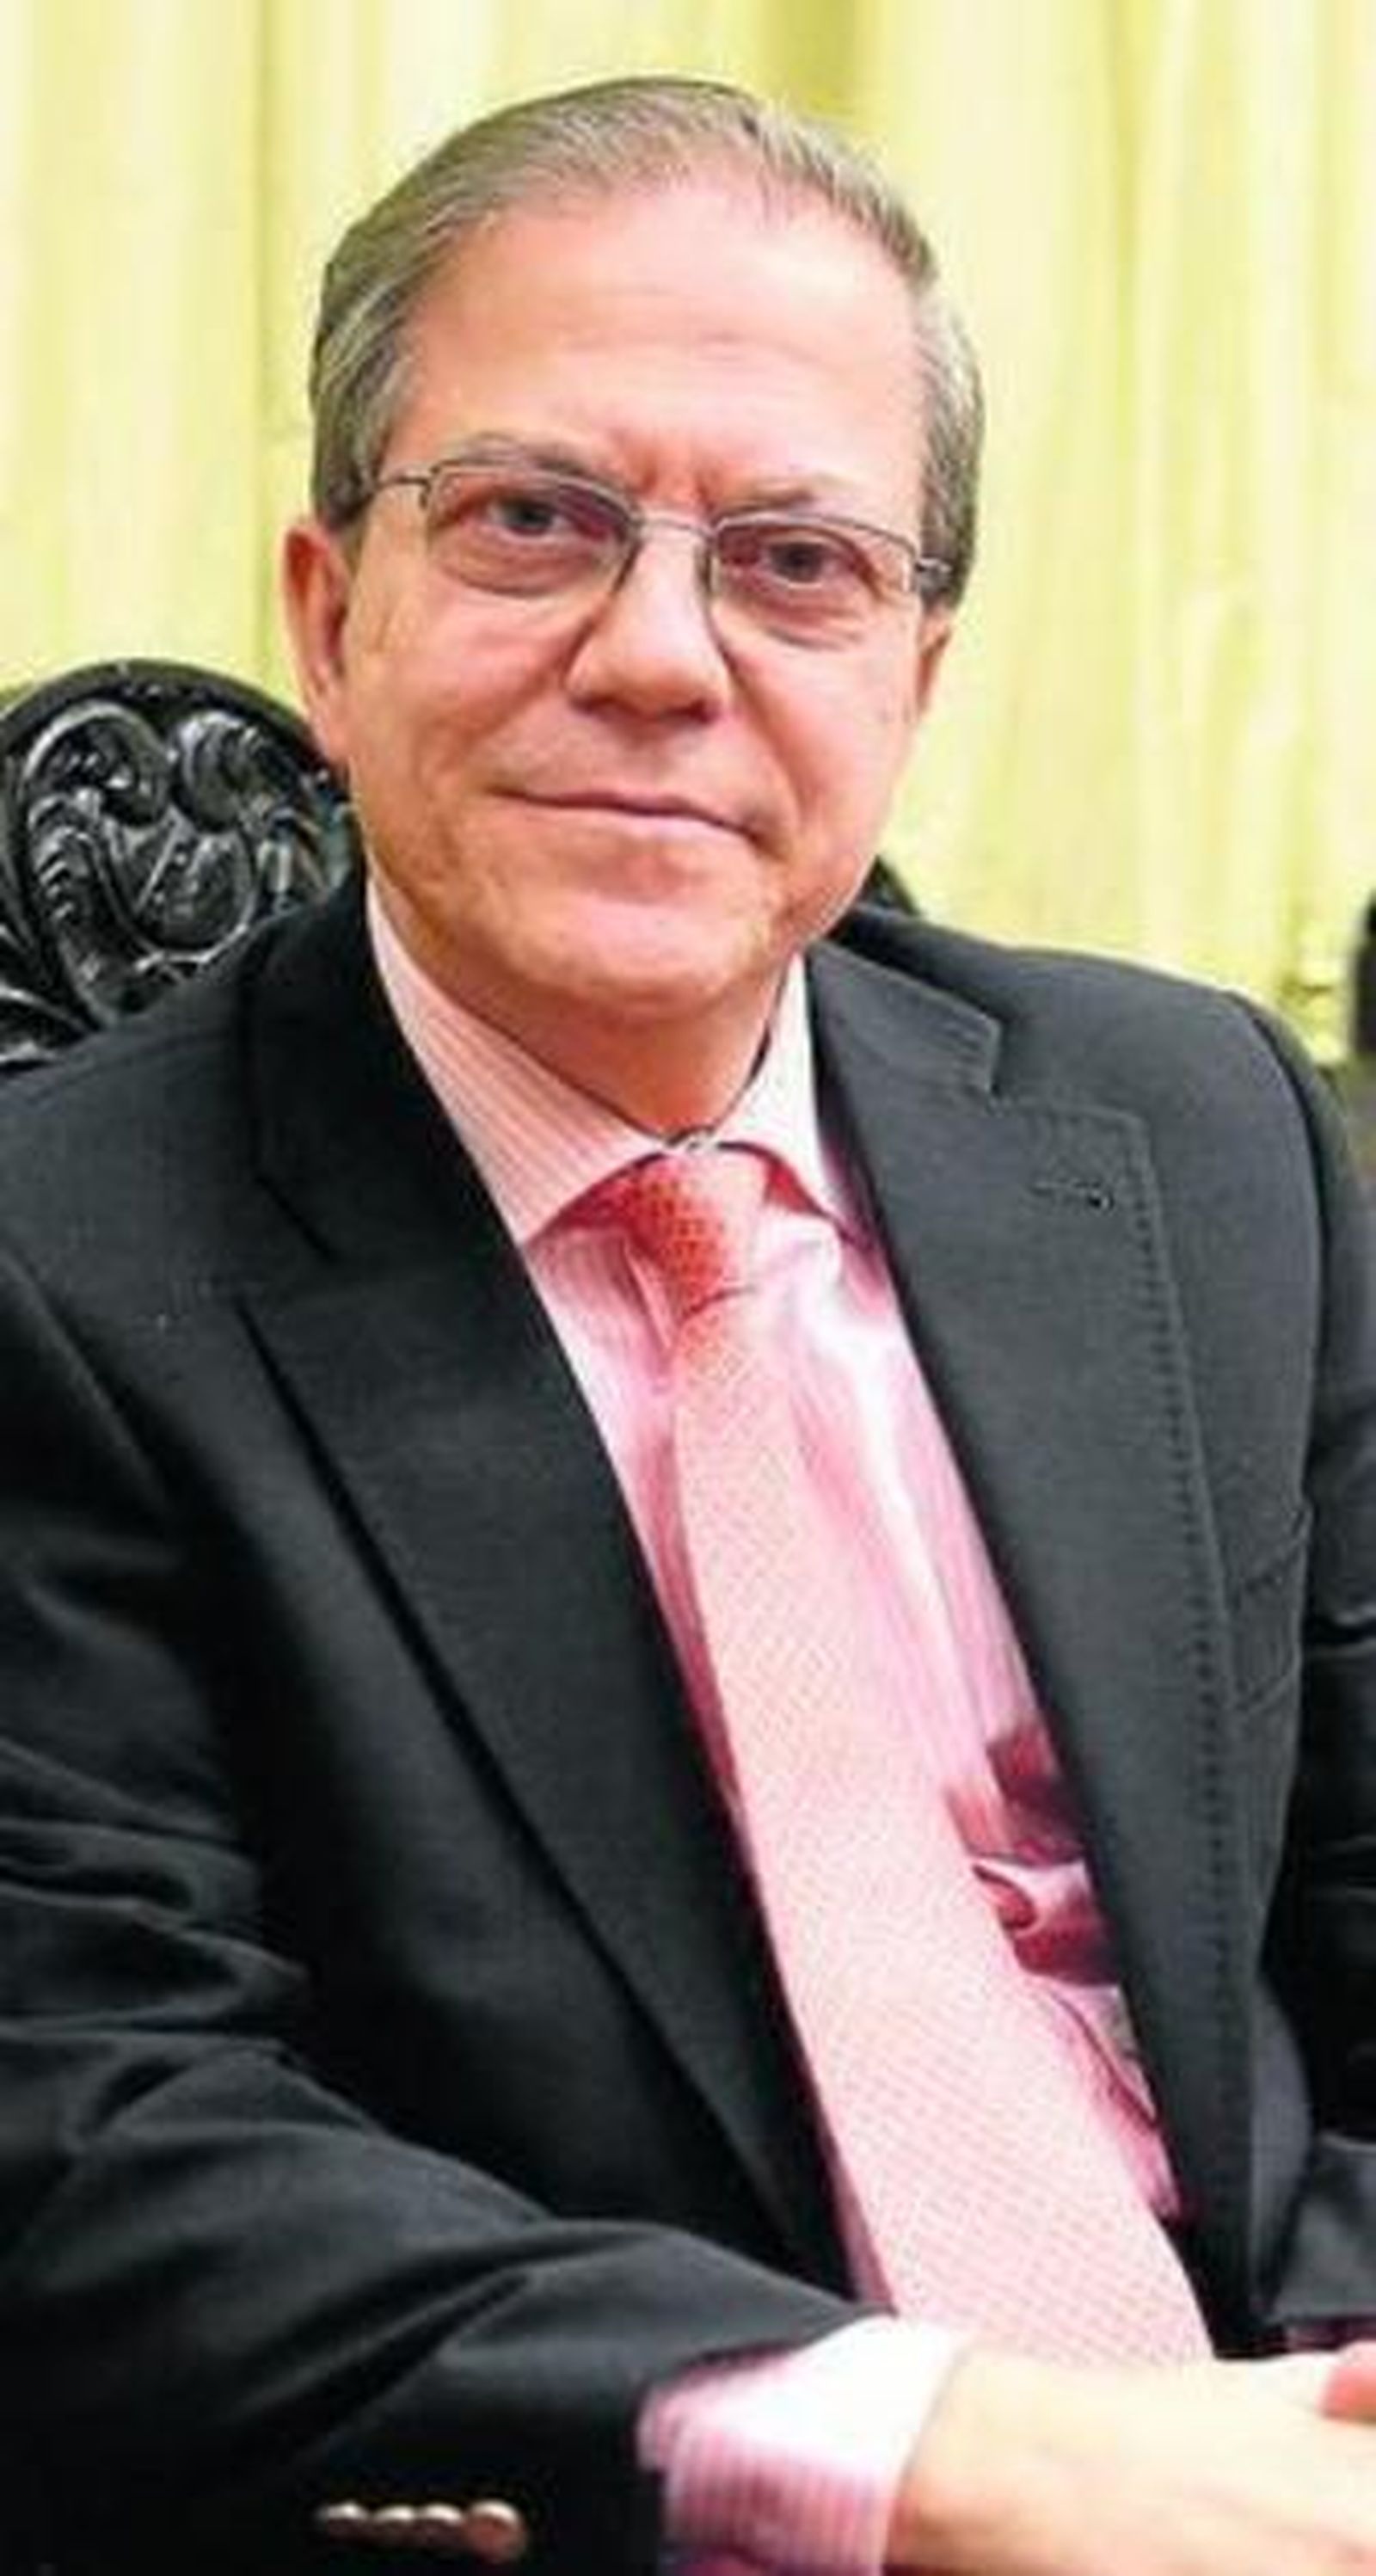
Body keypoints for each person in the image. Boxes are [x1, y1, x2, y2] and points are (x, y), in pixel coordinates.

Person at [2, 71, 1376, 2576]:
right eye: (532, 520)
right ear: (330, 616)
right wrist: (960, 2456)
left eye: (797, 562)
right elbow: (92, 2135)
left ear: (916, 676)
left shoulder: (1199, 1136)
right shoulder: (55, 1269)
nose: (660, 656)